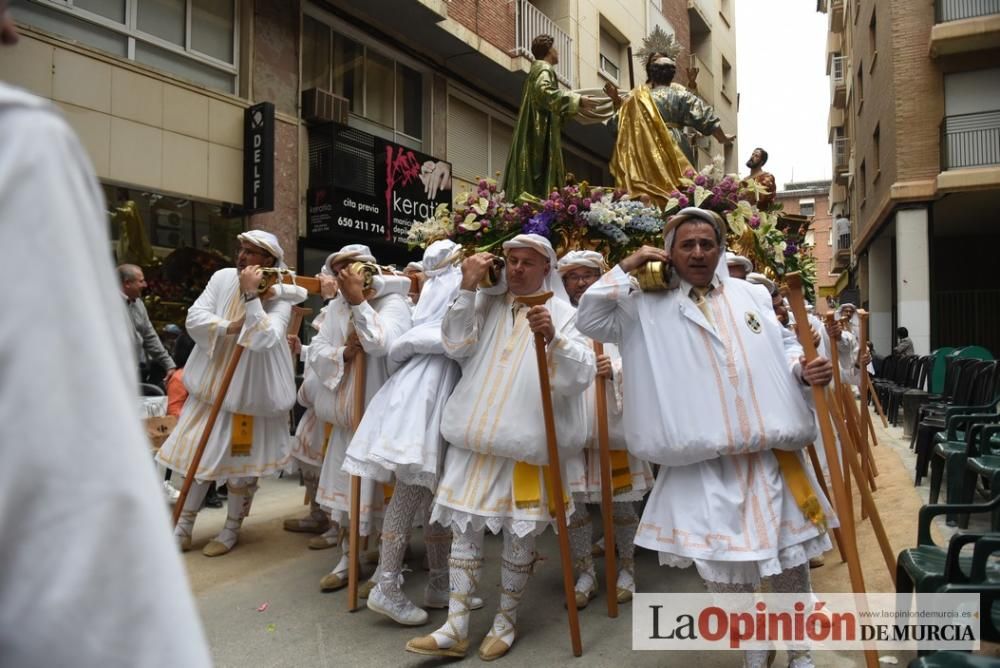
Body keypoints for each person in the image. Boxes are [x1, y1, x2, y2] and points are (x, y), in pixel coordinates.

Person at [0, 4, 211, 662]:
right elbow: (69, 477)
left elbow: (148, 342)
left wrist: (157, 369)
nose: (10, 28)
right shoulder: (22, 140)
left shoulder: (140, 309)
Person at [577, 207, 836, 668]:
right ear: (669, 251)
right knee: (721, 565)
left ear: (720, 249)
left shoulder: (749, 296)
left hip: (769, 456)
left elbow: (785, 346)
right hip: (700, 464)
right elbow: (590, 318)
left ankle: (800, 653)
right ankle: (754, 646)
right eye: (687, 245)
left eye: (707, 244)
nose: (698, 252)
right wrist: (628, 265)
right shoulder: (642, 303)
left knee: (789, 558)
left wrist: (801, 369)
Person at [406, 234, 595, 660]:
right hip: (475, 439)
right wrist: (467, 287)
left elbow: (577, 378)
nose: (517, 269)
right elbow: (455, 345)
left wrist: (556, 342)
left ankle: (506, 621)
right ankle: (455, 626)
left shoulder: (564, 313)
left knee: (519, 536)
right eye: (511, 260)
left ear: (546, 267)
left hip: (527, 447)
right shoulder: (487, 303)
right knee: (464, 532)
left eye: (528, 262)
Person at [342, 240, 475, 625]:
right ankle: (386, 586)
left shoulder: (427, 295)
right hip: (428, 393)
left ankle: (439, 583)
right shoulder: (446, 297)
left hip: (432, 387)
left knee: (435, 491)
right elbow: (458, 335)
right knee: (411, 490)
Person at [157, 230, 307, 557]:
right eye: (241, 249)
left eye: (251, 252)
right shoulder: (223, 277)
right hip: (210, 388)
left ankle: (231, 528)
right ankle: (183, 526)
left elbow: (267, 337)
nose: (241, 257)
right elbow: (195, 317)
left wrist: (253, 299)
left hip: (248, 396)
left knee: (241, 467)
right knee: (196, 458)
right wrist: (229, 326)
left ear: (268, 261)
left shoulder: (282, 293)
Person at [311, 244, 412, 591]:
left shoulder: (395, 303)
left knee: (382, 500)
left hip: (381, 421)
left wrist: (359, 304)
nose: (346, 278)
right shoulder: (335, 308)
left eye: (352, 269)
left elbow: (383, 344)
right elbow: (318, 351)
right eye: (340, 272)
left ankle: (388, 568)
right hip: (347, 421)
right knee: (346, 498)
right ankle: (347, 559)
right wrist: (343, 352)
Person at [558, 250, 653, 608]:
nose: (580, 283)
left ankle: (627, 567)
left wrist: (613, 367)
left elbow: (643, 355)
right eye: (572, 276)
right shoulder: (560, 316)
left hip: (611, 421)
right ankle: (585, 572)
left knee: (622, 503)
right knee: (575, 505)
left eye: (587, 275)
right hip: (573, 421)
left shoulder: (621, 311)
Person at [604, 52, 734, 206]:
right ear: (672, 75)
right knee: (681, 188)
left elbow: (614, 125)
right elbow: (705, 116)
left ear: (652, 73)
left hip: (646, 147)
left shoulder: (636, 99)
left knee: (651, 187)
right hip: (676, 144)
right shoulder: (680, 95)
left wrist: (621, 105)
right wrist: (722, 137)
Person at [502, 34, 596, 199]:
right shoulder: (545, 69)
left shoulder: (535, 71)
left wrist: (571, 108)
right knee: (541, 173)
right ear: (548, 50)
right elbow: (544, 92)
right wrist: (577, 100)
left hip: (537, 129)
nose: (557, 51)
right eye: (554, 47)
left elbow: (549, 104)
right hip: (540, 134)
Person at [120, 263, 176, 386]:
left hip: (139, 372)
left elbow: (150, 337)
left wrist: (169, 364)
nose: (145, 285)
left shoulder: (138, 303)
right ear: (127, 283)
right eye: (141, 281)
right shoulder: (107, 304)